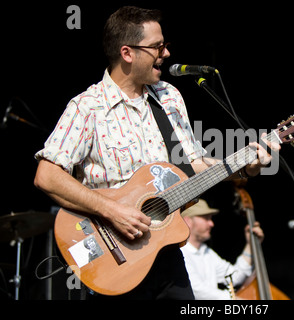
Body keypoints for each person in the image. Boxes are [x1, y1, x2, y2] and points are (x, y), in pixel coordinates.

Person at [33, 6, 279, 299]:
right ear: (127, 53)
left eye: (165, 45)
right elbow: (46, 176)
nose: (165, 54)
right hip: (114, 262)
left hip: (166, 254)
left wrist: (245, 164)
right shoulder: (88, 107)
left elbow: (194, 165)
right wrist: (113, 210)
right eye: (157, 47)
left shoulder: (169, 97)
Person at [180, 199, 264, 300]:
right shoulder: (179, 252)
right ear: (187, 221)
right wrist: (234, 299)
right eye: (206, 218)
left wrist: (250, 245)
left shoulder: (206, 252)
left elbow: (234, 277)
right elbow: (197, 290)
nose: (211, 224)